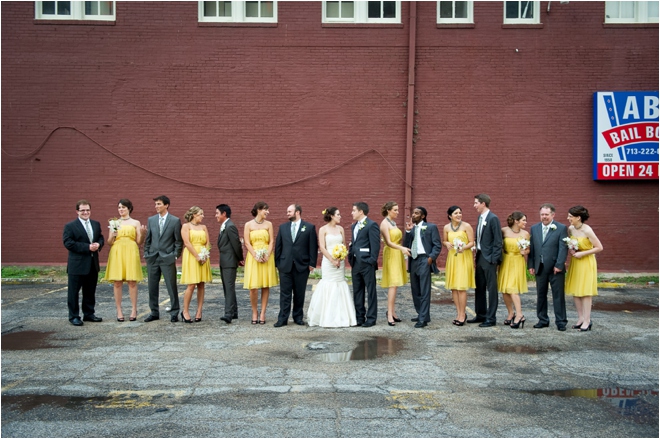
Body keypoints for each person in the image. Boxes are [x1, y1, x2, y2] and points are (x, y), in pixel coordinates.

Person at [307, 207, 357, 327]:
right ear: (331, 216)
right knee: (329, 284)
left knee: (340, 283)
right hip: (328, 262)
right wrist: (331, 260)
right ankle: (327, 317)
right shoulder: (323, 229)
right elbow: (322, 247)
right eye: (338, 214)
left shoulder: (340, 229)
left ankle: (343, 317)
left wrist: (340, 257)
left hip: (340, 262)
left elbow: (343, 244)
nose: (340, 216)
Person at [274, 204, 318, 327]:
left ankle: (298, 317)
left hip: (302, 266)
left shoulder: (309, 227)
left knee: (299, 293)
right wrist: (277, 263)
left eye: (289, 211)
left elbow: (313, 247)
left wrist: (312, 263)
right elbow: (278, 246)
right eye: (287, 211)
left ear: (297, 212)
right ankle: (282, 319)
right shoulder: (283, 228)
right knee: (285, 293)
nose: (287, 213)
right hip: (285, 265)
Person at [527, 203, 569, 331]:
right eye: (542, 214)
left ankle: (561, 321)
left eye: (546, 214)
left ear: (553, 215)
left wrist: (559, 265)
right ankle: (542, 319)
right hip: (540, 267)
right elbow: (532, 248)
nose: (544, 217)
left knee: (558, 295)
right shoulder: (534, 228)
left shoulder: (561, 228)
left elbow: (563, 248)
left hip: (555, 268)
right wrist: (531, 265)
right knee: (540, 294)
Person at [63, 200, 105, 326]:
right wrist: (87, 247)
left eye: (87, 210)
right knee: (73, 292)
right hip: (77, 265)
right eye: (82, 210)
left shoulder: (95, 224)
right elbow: (68, 243)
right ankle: (74, 316)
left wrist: (99, 244)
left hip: (92, 264)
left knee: (90, 291)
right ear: (77, 211)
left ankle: (89, 314)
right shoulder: (70, 226)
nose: (85, 212)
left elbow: (100, 237)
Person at [103, 199, 145, 322]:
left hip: (131, 250)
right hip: (117, 250)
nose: (121, 209)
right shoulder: (114, 222)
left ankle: (133, 309)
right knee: (117, 281)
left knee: (132, 281)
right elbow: (110, 242)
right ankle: (119, 310)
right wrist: (113, 235)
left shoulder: (135, 222)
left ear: (129, 209)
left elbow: (139, 242)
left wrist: (142, 234)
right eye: (119, 207)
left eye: (123, 207)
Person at [143, 195, 183, 323]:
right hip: (153, 258)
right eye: (156, 204)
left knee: (171, 286)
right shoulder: (151, 220)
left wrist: (174, 255)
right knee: (152, 287)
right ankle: (154, 312)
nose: (156, 206)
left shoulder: (175, 221)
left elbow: (178, 241)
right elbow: (148, 239)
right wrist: (146, 253)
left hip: (167, 258)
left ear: (166, 205)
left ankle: (174, 312)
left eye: (159, 204)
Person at [565, 205, 603, 332]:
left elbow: (599, 247)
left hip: (586, 261)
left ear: (578, 217)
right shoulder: (571, 229)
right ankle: (580, 318)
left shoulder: (587, 230)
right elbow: (571, 243)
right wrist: (572, 249)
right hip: (576, 261)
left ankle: (587, 320)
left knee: (585, 292)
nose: (568, 218)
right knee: (576, 290)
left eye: (570, 216)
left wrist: (583, 253)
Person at [468, 194, 503, 327]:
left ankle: (491, 318)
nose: (474, 205)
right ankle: (481, 314)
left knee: (492, 288)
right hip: (480, 256)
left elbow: (498, 241)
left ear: (483, 204)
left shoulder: (493, 218)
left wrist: (494, 259)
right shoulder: (480, 218)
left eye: (476, 203)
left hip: (489, 259)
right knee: (479, 287)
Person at [404, 206, 442, 328]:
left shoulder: (431, 227)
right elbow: (406, 245)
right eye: (413, 213)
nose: (413, 215)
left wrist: (431, 258)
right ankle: (422, 313)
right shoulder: (412, 228)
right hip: (414, 260)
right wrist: (408, 231)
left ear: (423, 216)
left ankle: (423, 319)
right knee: (415, 289)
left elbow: (437, 245)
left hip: (425, 259)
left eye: (416, 213)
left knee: (424, 289)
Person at [243, 201, 278, 325]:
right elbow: (247, 242)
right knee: (253, 287)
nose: (267, 212)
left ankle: (263, 312)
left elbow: (271, 241)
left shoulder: (269, 224)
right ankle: (254, 312)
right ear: (258, 210)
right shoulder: (248, 224)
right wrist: (256, 255)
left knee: (265, 285)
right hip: (254, 257)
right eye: (265, 210)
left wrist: (267, 255)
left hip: (267, 257)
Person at [348, 201, 381, 327]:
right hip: (355, 262)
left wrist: (372, 260)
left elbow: (375, 244)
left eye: (354, 210)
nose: (352, 213)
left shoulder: (371, 225)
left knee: (370, 291)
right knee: (357, 291)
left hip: (367, 263)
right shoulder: (354, 226)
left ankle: (371, 318)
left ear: (361, 211)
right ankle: (359, 317)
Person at [442, 205, 475, 326]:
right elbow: (444, 240)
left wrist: (463, 248)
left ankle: (462, 314)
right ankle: (458, 313)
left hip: (463, 257)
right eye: (456, 213)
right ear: (450, 216)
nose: (459, 215)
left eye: (460, 213)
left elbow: (472, 242)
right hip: (452, 258)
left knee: (461, 287)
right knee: (454, 287)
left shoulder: (466, 226)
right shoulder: (446, 227)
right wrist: (447, 244)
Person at [497, 211, 530, 329]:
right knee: (505, 289)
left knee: (512, 288)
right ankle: (511, 313)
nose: (525, 223)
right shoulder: (504, 231)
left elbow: (528, 250)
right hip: (506, 260)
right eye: (523, 220)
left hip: (517, 261)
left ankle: (520, 315)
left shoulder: (525, 234)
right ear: (516, 221)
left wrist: (525, 252)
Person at [379, 201, 410, 326]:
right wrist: (402, 248)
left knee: (396, 284)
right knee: (393, 283)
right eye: (395, 210)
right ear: (388, 210)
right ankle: (389, 314)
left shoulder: (393, 223)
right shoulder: (384, 224)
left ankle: (392, 311)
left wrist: (407, 231)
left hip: (397, 253)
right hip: (391, 253)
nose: (397, 212)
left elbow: (397, 238)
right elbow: (389, 242)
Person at [179, 206, 212, 323]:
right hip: (192, 256)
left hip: (203, 255)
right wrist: (197, 256)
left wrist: (205, 254)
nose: (203, 216)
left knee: (201, 284)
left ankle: (199, 311)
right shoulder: (186, 226)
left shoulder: (204, 227)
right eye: (200, 214)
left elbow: (207, 242)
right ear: (194, 215)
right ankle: (185, 311)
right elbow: (187, 242)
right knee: (192, 284)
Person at [216, 204, 243, 324]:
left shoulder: (230, 226)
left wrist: (240, 258)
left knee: (229, 287)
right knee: (227, 287)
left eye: (217, 213)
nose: (215, 215)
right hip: (224, 261)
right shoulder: (224, 226)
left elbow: (236, 244)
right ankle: (234, 311)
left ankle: (228, 314)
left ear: (224, 214)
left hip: (230, 261)